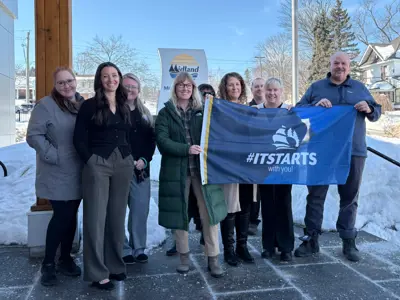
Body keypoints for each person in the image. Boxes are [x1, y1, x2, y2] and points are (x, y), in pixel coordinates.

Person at [294, 52, 381, 262]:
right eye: (336, 63)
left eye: (343, 63)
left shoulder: (360, 88)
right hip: (322, 151)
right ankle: (311, 239)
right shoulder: (317, 87)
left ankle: (348, 241)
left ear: (349, 67)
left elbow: (376, 113)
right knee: (315, 195)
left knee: (350, 197)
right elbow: (298, 110)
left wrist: (369, 108)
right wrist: (315, 106)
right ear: (330, 65)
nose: (340, 67)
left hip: (353, 151)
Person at [155, 71, 227, 278]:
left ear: (193, 89)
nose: (185, 88)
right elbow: (162, 141)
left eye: (189, 85)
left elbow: (216, 133)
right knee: (180, 216)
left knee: (209, 215)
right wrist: (185, 149)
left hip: (202, 172)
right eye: (181, 85)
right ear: (175, 88)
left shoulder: (203, 111)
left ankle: (213, 258)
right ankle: (184, 258)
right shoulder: (165, 113)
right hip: (177, 172)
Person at [73, 62, 135, 290]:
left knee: (117, 218)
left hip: (123, 163)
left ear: (119, 77)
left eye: (114, 75)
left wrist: (131, 157)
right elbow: (78, 138)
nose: (111, 80)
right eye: (106, 76)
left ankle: (115, 265)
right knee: (96, 219)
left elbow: (131, 134)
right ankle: (97, 272)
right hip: (98, 163)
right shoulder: (89, 106)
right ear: (100, 80)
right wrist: (90, 160)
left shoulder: (124, 104)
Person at [26, 67, 84, 287]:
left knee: (72, 216)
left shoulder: (81, 104)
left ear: (75, 81)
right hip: (56, 171)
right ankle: (49, 263)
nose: (66, 86)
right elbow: (33, 135)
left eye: (69, 81)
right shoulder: (45, 106)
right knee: (61, 217)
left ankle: (66, 258)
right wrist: (53, 155)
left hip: (78, 170)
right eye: (61, 83)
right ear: (55, 85)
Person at [253, 77, 294, 262]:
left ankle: (286, 247)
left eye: (275, 90)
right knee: (267, 205)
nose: (271, 93)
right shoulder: (256, 111)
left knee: (284, 205)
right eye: (268, 90)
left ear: (281, 92)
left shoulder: (289, 111)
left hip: (285, 166)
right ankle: (268, 245)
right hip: (264, 166)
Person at [217, 72, 255, 266]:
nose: (235, 88)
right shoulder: (219, 109)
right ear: (225, 87)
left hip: (247, 164)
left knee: (246, 205)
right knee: (230, 206)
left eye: (238, 85)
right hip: (229, 165)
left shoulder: (248, 110)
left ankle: (243, 246)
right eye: (231, 85)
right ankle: (229, 250)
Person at [121, 73, 156, 264]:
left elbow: (151, 141)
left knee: (139, 211)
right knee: (117, 211)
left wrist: (144, 159)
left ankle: (138, 247)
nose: (130, 90)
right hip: (118, 168)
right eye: (126, 86)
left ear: (139, 89)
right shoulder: (114, 110)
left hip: (140, 170)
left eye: (133, 86)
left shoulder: (145, 114)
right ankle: (123, 248)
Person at [247, 78, 265, 235]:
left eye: (262, 86)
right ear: (252, 89)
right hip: (253, 155)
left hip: (272, 155)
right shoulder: (247, 108)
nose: (259, 88)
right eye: (256, 86)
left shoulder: (275, 106)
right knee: (254, 191)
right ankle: (252, 220)